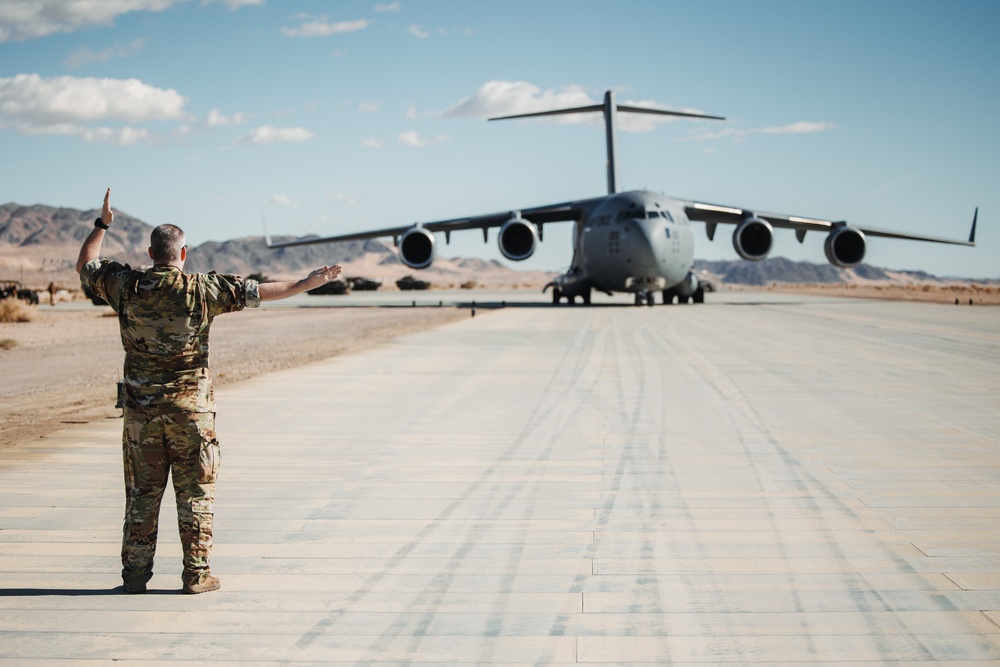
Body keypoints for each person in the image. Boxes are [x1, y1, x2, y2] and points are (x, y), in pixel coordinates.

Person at [76, 188, 342, 594]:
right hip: (191, 414)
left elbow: (85, 264)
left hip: (141, 416)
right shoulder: (202, 289)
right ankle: (196, 576)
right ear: (183, 254)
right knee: (195, 493)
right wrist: (307, 282)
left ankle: (134, 577)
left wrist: (102, 224)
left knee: (142, 495)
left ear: (150, 253)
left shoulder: (125, 286)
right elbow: (261, 291)